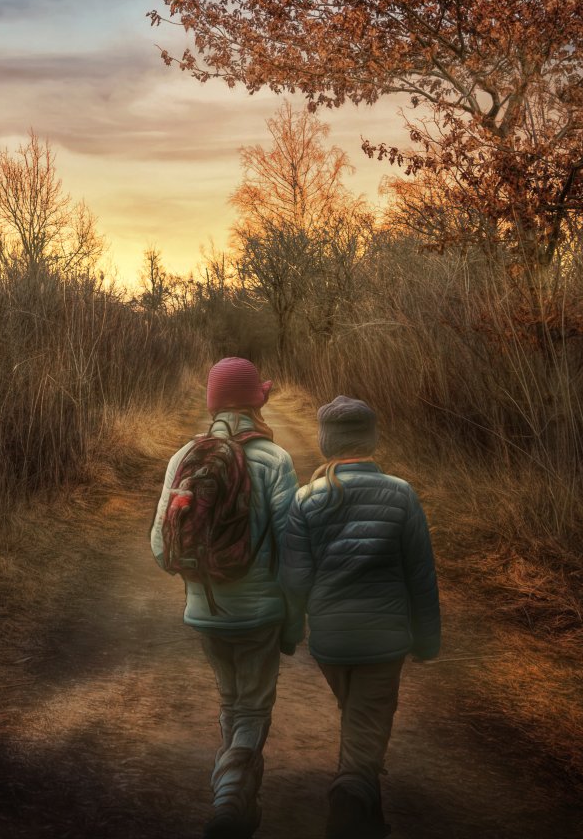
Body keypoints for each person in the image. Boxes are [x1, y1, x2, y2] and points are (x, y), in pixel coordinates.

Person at [151, 356, 303, 839]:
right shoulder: (275, 461)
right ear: (257, 404)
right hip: (260, 614)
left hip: (205, 610)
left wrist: (202, 576)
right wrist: (291, 619)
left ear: (213, 404)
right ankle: (230, 796)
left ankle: (237, 796)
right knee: (254, 706)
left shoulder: (184, 457)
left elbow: (160, 548)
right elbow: (293, 552)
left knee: (231, 699)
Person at [282, 396, 441, 839]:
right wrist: (427, 640)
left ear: (326, 442)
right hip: (384, 641)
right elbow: (420, 575)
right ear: (371, 440)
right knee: (365, 727)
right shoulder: (402, 493)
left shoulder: (305, 499)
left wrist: (292, 631)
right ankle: (350, 803)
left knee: (358, 719)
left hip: (330, 643)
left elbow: (294, 579)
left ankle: (364, 808)